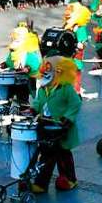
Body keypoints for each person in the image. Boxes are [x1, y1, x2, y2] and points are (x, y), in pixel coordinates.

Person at [29, 56, 82, 192]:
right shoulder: (42, 89)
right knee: (46, 154)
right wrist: (33, 109)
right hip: (46, 126)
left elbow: (75, 103)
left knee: (63, 154)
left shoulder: (65, 88)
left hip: (62, 127)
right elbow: (38, 101)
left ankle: (70, 179)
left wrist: (68, 118)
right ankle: (41, 183)